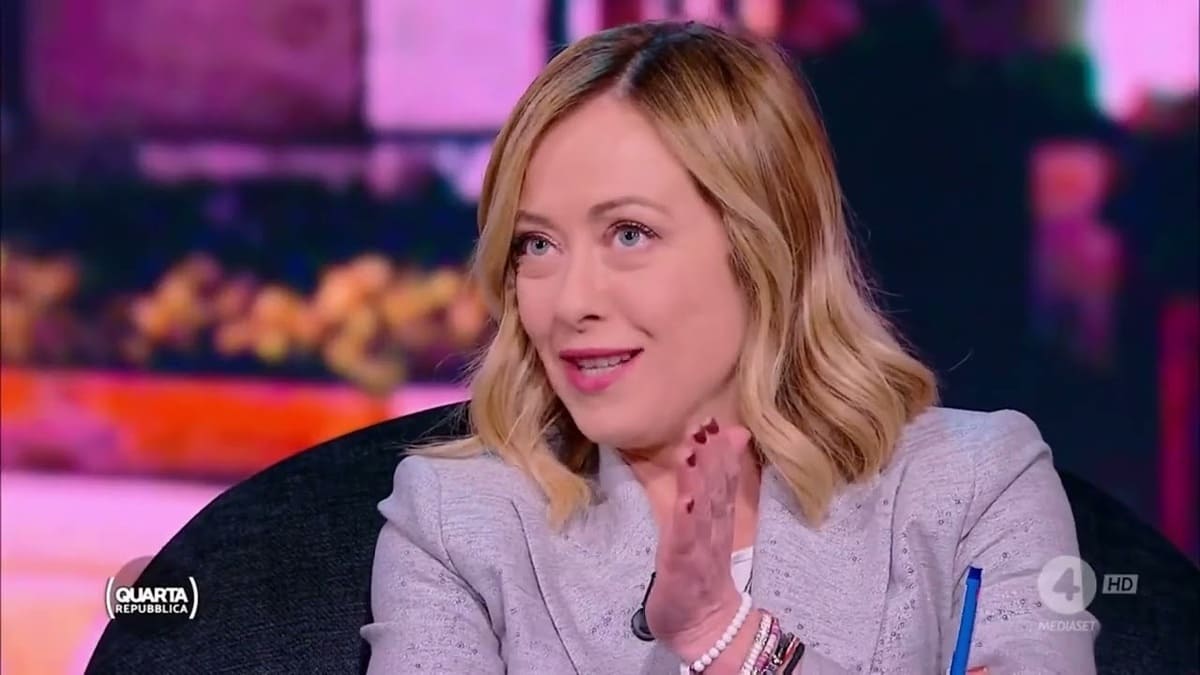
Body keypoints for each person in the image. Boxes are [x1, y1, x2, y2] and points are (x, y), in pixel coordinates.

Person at [360, 21, 1098, 674]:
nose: (571, 301)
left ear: (762, 246)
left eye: (629, 234)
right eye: (537, 244)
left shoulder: (976, 487)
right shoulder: (457, 523)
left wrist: (729, 638)